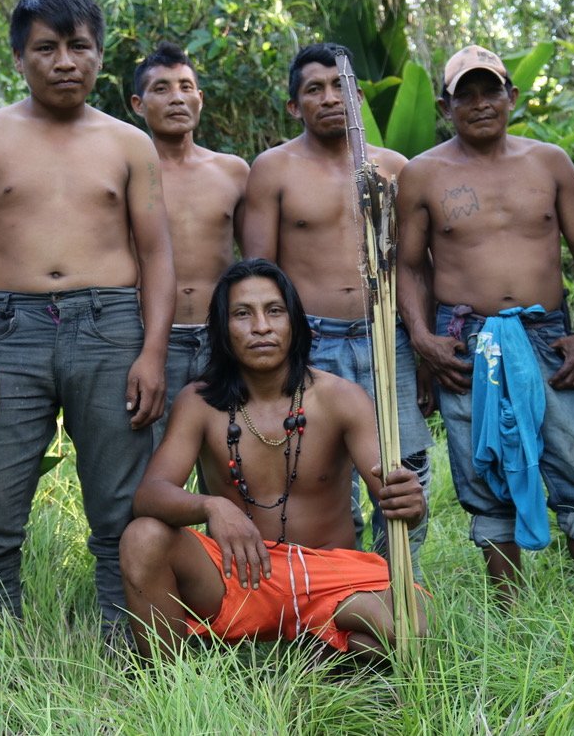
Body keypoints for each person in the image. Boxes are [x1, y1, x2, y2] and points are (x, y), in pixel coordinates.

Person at [0, 0, 175, 638]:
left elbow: (157, 255)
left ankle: (122, 652)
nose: (64, 61)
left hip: (110, 328)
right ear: (20, 57)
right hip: (9, 331)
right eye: (46, 47)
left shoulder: (129, 143)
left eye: (79, 46)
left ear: (100, 54)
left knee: (119, 510)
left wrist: (152, 353)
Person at [119, 259, 426, 660]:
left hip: (331, 578)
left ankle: (317, 660)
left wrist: (410, 501)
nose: (261, 327)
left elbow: (392, 494)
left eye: (274, 311)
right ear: (223, 330)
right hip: (239, 576)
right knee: (142, 537)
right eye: (243, 314)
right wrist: (212, 505)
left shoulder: (341, 398)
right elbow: (149, 495)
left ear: (295, 323)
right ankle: (172, 684)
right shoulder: (200, 402)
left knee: (413, 630)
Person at [397, 44, 574, 602]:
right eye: (464, 95)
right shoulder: (424, 174)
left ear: (511, 97)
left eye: (489, 91)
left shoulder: (548, 162)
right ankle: (510, 613)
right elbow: (407, 266)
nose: (479, 104)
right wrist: (424, 340)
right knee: (482, 472)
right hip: (466, 340)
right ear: (446, 108)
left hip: (547, 334)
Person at [241, 42, 433, 576]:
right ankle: (335, 596)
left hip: (385, 338)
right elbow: (258, 276)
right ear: (293, 105)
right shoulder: (274, 170)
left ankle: (397, 585)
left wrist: (424, 349)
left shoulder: (394, 169)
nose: (330, 98)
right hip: (313, 343)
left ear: (357, 96)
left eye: (341, 87)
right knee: (322, 473)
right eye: (314, 89)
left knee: (404, 470)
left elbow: (418, 267)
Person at [130, 42, 249, 446]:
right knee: (150, 460)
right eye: (161, 88)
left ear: (200, 98)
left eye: (186, 86)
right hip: (147, 339)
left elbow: (256, 264)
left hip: (221, 338)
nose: (177, 97)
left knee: (233, 458)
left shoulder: (232, 171)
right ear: (138, 104)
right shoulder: (125, 172)